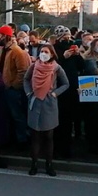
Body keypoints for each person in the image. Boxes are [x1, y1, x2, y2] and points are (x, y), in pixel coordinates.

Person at [24, 44, 69, 176]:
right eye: (41, 51)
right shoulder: (34, 66)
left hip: (49, 103)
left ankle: (49, 164)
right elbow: (26, 79)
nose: (43, 54)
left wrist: (55, 93)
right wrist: (28, 93)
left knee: (49, 136)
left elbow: (66, 83)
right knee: (35, 136)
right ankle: (34, 164)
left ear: (52, 54)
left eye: (46, 52)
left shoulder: (56, 67)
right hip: (35, 102)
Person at [0, 25, 31, 145]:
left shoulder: (17, 51)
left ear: (6, 36)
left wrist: (13, 86)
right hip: (2, 88)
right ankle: (9, 139)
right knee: (5, 116)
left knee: (17, 115)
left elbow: (23, 71)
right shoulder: (2, 50)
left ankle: (22, 140)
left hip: (12, 90)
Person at [52, 25, 84, 159]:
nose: (67, 39)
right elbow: (52, 66)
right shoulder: (54, 49)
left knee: (70, 119)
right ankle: (57, 146)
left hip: (72, 89)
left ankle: (68, 147)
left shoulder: (74, 48)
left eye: (68, 36)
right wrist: (63, 57)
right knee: (59, 119)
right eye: (64, 36)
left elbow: (81, 66)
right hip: (59, 89)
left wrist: (78, 55)